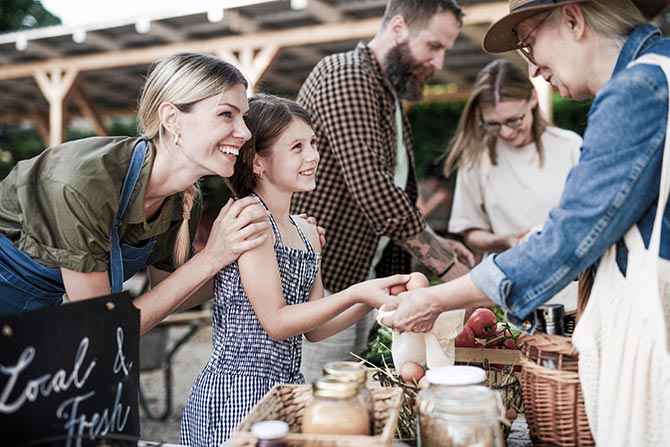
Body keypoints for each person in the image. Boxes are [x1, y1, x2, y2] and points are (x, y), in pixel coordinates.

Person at [381, 0, 670, 441]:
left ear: (573, 20)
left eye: (531, 45)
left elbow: (569, 238)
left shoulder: (635, 91)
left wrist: (438, 300)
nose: (534, 70)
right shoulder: (661, 71)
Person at [179, 94, 409, 445]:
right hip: (235, 394)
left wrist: (372, 298)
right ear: (258, 162)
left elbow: (314, 330)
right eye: (297, 147)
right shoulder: (250, 221)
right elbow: (276, 322)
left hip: (285, 389)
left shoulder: (306, 232)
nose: (313, 156)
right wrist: (356, 292)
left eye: (313, 143)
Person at [0, 52, 273, 334]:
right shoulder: (82, 183)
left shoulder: (185, 199)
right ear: (171, 118)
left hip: (28, 323)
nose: (245, 132)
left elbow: (175, 292)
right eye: (226, 114)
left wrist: (261, 255)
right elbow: (101, 329)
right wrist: (211, 257)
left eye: (244, 117)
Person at [291, 0, 476, 383]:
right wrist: (449, 269)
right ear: (398, 27)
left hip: (361, 280)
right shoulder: (345, 75)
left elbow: (393, 193)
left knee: (354, 405)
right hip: (323, 286)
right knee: (323, 411)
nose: (438, 63)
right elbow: (375, 189)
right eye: (434, 46)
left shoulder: (384, 92)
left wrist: (435, 238)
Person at [445, 58, 582, 309]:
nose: (506, 132)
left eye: (513, 120)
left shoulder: (570, 146)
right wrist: (505, 240)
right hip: (506, 291)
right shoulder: (476, 158)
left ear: (532, 98)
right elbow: (470, 232)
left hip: (570, 290)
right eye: (493, 124)